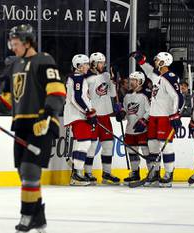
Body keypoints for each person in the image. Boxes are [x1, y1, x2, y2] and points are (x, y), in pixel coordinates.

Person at [0, 24, 66, 233]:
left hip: (42, 124)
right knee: (24, 173)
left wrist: (46, 116)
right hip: (21, 125)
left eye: (16, 43)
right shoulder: (15, 66)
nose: (13, 47)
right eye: (11, 43)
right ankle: (39, 216)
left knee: (30, 171)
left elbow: (57, 92)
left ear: (28, 42)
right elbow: (8, 99)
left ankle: (27, 217)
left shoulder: (44, 60)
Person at [130, 51, 184, 188]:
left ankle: (168, 174)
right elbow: (149, 72)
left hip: (165, 118)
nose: (155, 62)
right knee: (153, 146)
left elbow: (178, 97)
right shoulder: (158, 77)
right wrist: (141, 61)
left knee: (166, 147)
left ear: (162, 62)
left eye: (157, 60)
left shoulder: (169, 77)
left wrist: (175, 115)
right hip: (154, 117)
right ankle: (154, 174)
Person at [84, 52, 120, 184]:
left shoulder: (106, 75)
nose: (103, 65)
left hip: (105, 115)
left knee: (108, 145)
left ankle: (106, 173)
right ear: (93, 63)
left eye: (103, 62)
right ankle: (87, 173)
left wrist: (113, 81)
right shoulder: (87, 78)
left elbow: (112, 93)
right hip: (93, 116)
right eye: (100, 62)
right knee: (92, 146)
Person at [64, 54, 97, 186]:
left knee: (80, 143)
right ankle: (77, 174)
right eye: (86, 64)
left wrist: (89, 110)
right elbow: (76, 98)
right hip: (78, 116)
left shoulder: (78, 78)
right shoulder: (78, 78)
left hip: (77, 115)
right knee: (84, 143)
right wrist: (88, 112)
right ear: (79, 66)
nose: (88, 67)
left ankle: (76, 173)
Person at [115, 71, 151, 185]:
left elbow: (150, 111)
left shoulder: (146, 94)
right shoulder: (127, 96)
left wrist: (144, 120)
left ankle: (153, 173)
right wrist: (122, 114)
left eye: (134, 80)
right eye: (131, 80)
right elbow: (126, 111)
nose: (131, 82)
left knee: (146, 151)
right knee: (132, 151)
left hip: (143, 129)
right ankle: (135, 172)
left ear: (140, 81)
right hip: (130, 129)